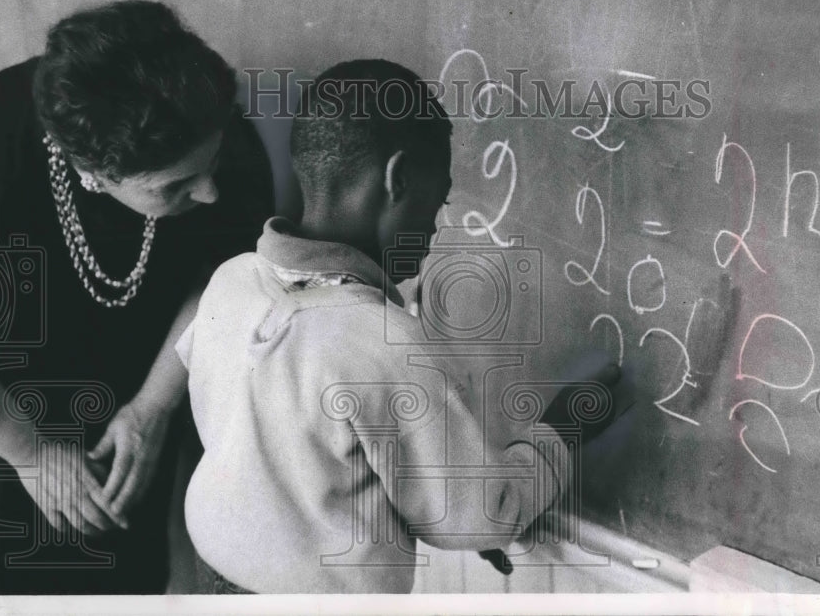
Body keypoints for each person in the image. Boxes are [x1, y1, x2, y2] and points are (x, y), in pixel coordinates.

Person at [177, 59, 622, 593]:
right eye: (438, 202)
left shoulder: (231, 282)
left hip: (213, 577)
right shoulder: (381, 341)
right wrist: (560, 431)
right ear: (398, 178)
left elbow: (281, 434)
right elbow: (482, 513)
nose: (436, 227)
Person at [0, 0, 274, 594]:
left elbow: (230, 277)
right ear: (92, 172)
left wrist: (151, 407)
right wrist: (26, 449)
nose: (211, 192)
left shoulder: (207, 121)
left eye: (213, 163)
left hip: (135, 395)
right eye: (173, 186)